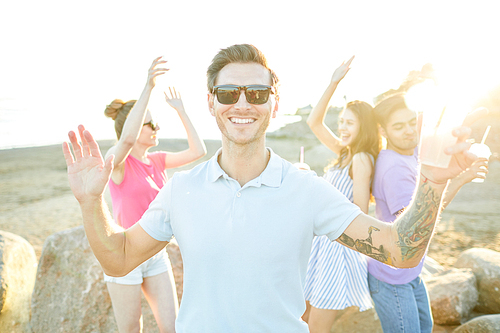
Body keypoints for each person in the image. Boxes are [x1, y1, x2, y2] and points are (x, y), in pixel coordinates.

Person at [62, 44, 479, 333]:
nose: (242, 103)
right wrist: (90, 201)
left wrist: (433, 181)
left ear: (274, 104)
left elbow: (399, 249)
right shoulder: (181, 189)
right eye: (228, 92)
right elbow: (118, 261)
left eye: (257, 92)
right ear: (211, 102)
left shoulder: (306, 190)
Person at [101, 56, 206, 333]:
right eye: (150, 124)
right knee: (131, 330)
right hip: (124, 255)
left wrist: (181, 110)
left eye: (156, 123)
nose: (156, 128)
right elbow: (125, 140)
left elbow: (198, 151)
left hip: (155, 253)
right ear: (134, 128)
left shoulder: (157, 160)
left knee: (172, 327)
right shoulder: (118, 164)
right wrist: (147, 88)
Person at [368, 92, 489, 333]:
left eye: (412, 123)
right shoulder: (394, 168)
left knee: (425, 328)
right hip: (391, 276)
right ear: (384, 132)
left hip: (409, 270)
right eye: (399, 127)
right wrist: (462, 178)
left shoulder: (410, 153)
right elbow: (418, 221)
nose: (409, 131)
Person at [302, 57, 380, 332]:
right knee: (301, 318)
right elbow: (315, 121)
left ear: (364, 126)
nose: (343, 128)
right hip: (322, 244)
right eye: (342, 122)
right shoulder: (346, 154)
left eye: (350, 123)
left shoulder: (360, 159)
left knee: (316, 327)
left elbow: (359, 211)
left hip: (336, 248)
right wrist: (333, 81)